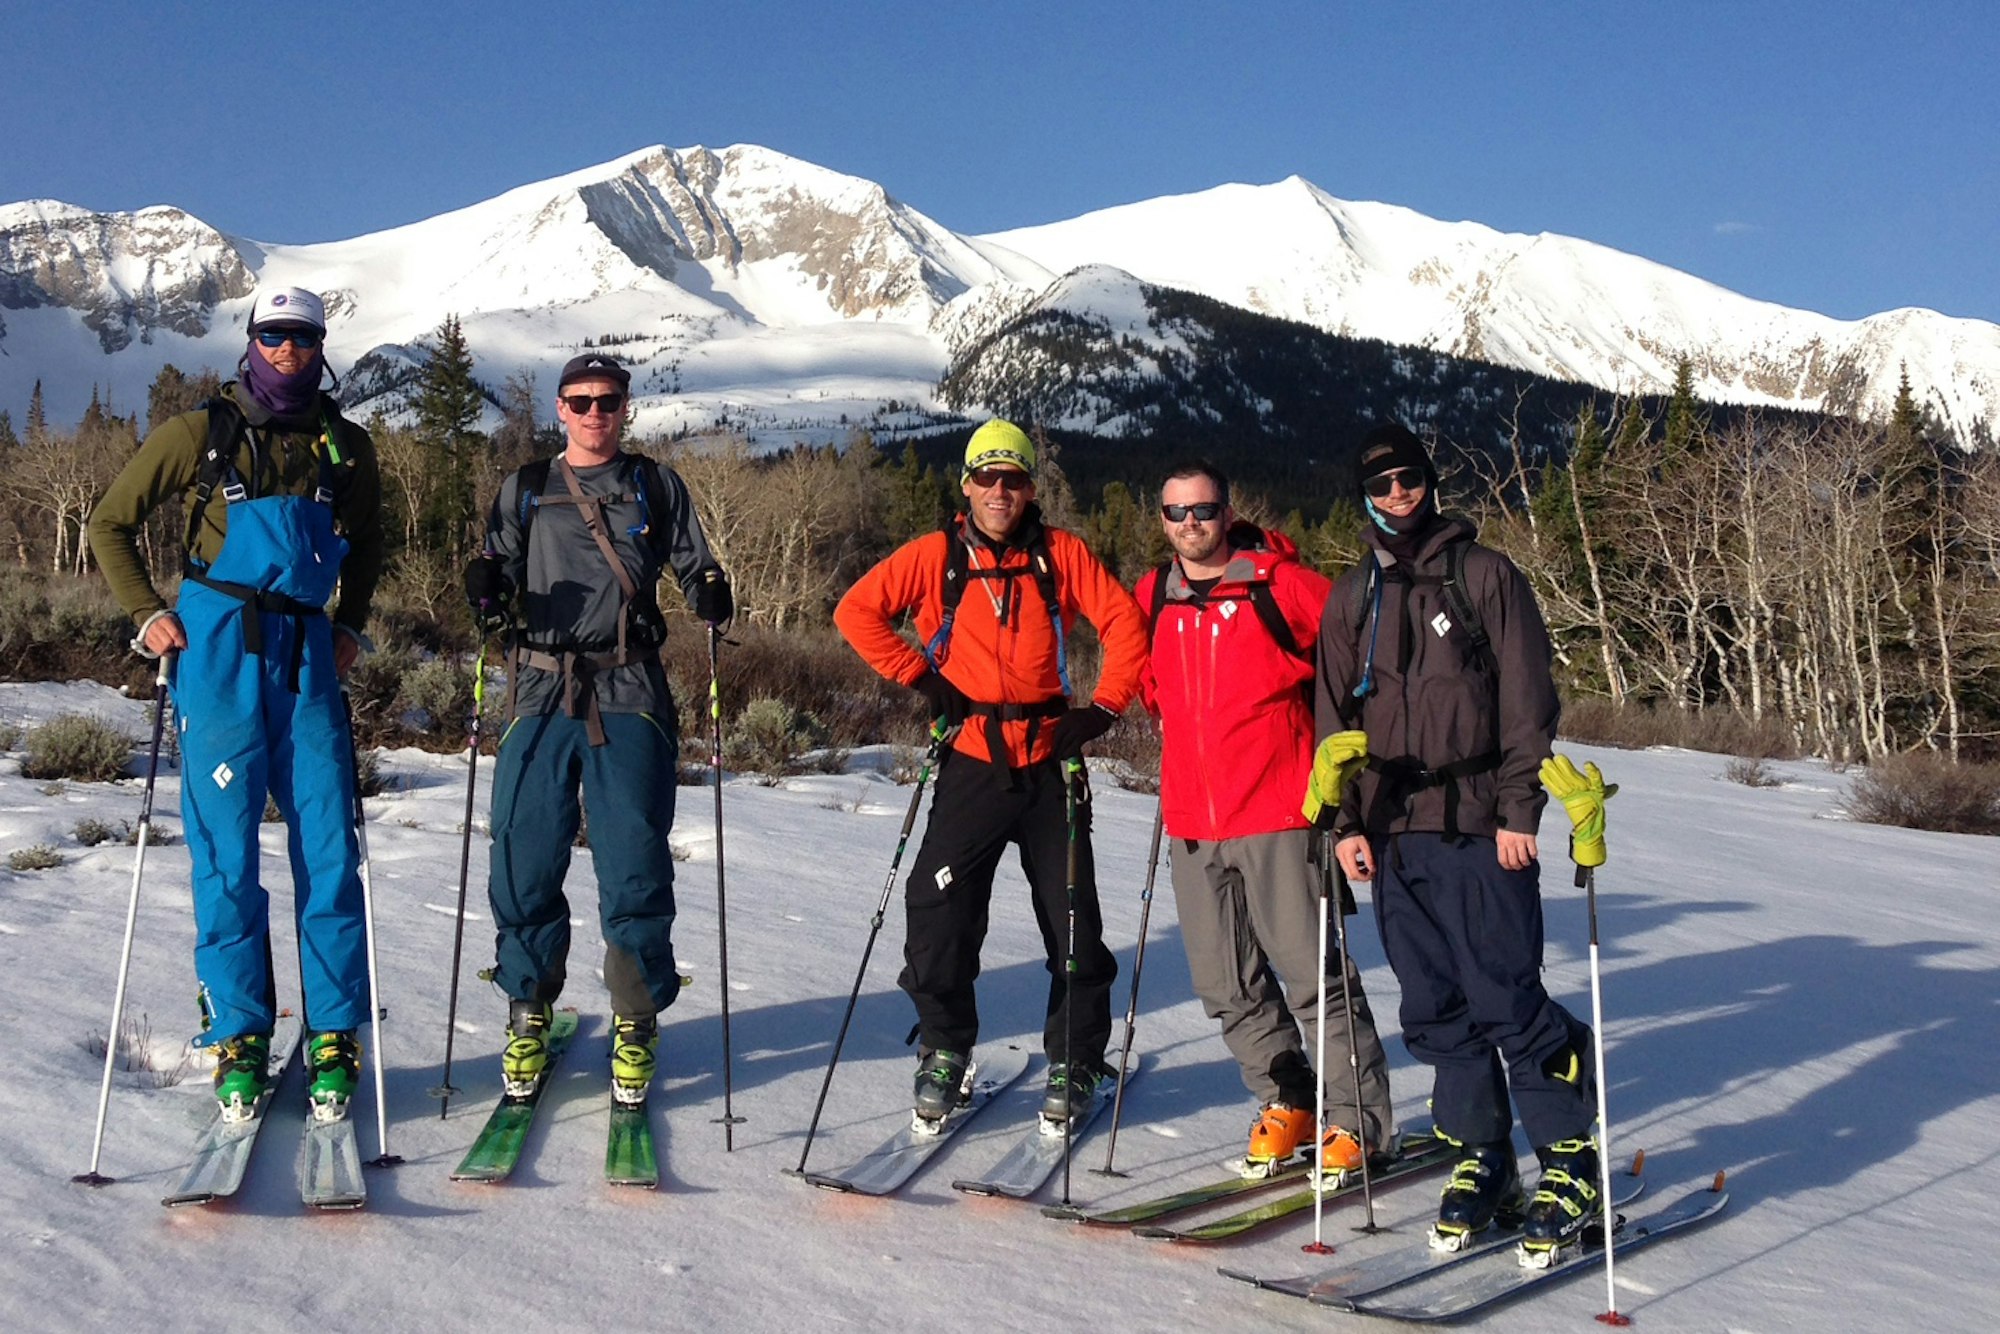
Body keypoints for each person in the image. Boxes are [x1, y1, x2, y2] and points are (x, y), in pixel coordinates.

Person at [88, 285, 383, 1123]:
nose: (288, 351)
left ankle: (332, 1033)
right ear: (252, 341)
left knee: (329, 848)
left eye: (302, 338)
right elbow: (109, 522)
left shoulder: (346, 447)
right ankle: (241, 1034)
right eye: (274, 336)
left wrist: (351, 625)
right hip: (218, 650)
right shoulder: (201, 433)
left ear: (321, 345)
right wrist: (148, 614)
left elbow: (370, 545)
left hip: (307, 656)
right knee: (226, 855)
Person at [1307, 421, 1600, 1256]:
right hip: (1393, 831)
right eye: (1381, 483)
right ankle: (1483, 1156)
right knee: (1434, 1008)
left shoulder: (1485, 574)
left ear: (1430, 482)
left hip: (1478, 822)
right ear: (1363, 495)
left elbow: (1527, 698)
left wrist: (1519, 809)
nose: (1398, 492)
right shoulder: (1352, 594)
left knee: (1506, 994)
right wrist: (1347, 821)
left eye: (1410, 478)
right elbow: (1335, 718)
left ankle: (1570, 1156)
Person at [833, 420, 1147, 1124]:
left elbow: (1125, 625)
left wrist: (1101, 710)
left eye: (1014, 479)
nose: (1000, 492)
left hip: (1048, 767)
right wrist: (920, 675)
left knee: (1074, 927)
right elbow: (856, 612)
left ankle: (1075, 1061)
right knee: (937, 915)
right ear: (967, 484)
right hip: (972, 761)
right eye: (987, 478)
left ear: (1031, 485)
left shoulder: (1060, 555)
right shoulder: (935, 555)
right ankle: (945, 1050)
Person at [465, 351, 731, 1108]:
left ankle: (636, 1018)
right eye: (580, 401)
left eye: (607, 401)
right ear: (559, 409)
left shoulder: (655, 484)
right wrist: (483, 583)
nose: (593, 413)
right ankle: (528, 1006)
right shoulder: (525, 488)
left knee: (635, 860)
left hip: (629, 683)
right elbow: (495, 564)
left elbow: (695, 562)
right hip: (537, 687)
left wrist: (711, 590)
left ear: (625, 408)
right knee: (522, 852)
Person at [1134, 460, 1393, 1176]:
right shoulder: (1155, 592)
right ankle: (1290, 1098)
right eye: (1177, 512)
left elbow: (1357, 655)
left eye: (1204, 510)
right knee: (1225, 985)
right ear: (1161, 519)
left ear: (1227, 510)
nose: (1192, 524)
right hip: (1193, 822)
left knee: (1315, 979)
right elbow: (1155, 687)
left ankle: (1359, 1123)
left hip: (1281, 812)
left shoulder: (1280, 586)